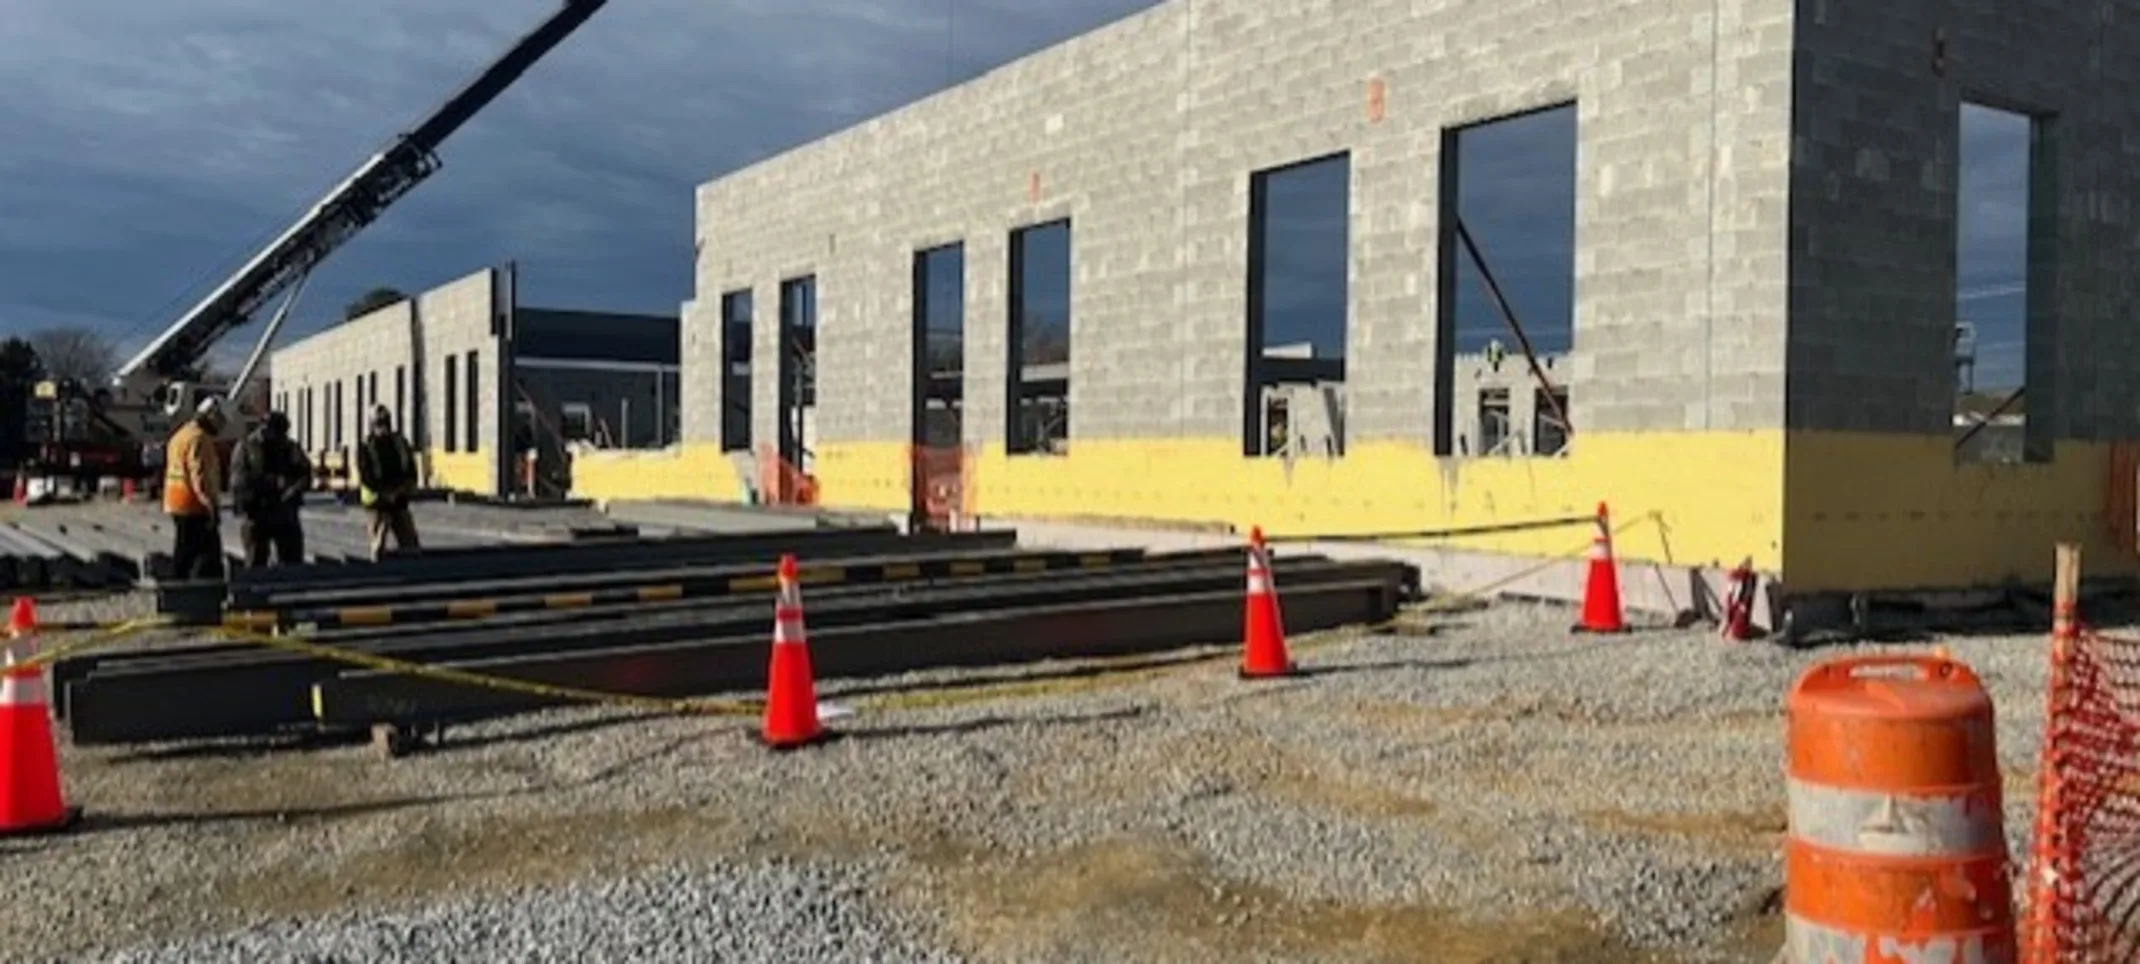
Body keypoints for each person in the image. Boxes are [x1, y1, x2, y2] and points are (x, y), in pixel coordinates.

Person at [229, 411, 311, 567]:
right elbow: (239, 480)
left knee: (292, 562)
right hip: (256, 511)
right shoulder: (247, 447)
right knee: (256, 561)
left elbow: (305, 472)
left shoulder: (290, 447)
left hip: (284, 512)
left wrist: (296, 487)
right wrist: (273, 482)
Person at [162, 397, 228, 581]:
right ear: (212, 417)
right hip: (193, 504)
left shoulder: (180, 435)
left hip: (175, 501)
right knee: (205, 552)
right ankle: (200, 588)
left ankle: (179, 585)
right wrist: (211, 505)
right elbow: (200, 476)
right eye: (220, 422)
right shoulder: (200, 439)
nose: (221, 428)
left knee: (184, 550)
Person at [356, 404, 421, 560]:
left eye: (385, 423)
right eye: (378, 423)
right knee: (378, 545)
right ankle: (377, 563)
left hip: (398, 499)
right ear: (372, 425)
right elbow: (366, 475)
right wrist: (383, 493)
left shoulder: (400, 442)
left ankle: (411, 566)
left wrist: (404, 488)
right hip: (376, 502)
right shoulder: (366, 446)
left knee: (411, 544)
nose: (382, 428)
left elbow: (410, 468)